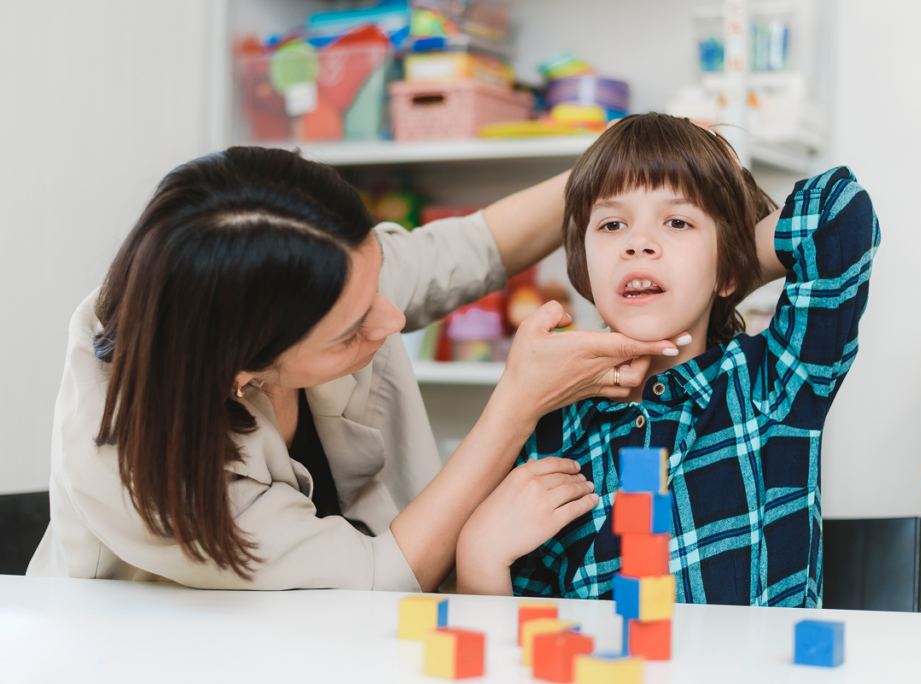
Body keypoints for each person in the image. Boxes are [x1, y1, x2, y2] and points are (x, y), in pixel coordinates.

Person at [28, 146, 687, 591]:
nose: (393, 320)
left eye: (377, 281)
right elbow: (376, 577)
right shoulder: (142, 477)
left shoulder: (321, 269)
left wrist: (619, 166)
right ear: (245, 373)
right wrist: (515, 407)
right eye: (351, 331)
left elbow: (472, 247)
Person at [455, 113, 880, 607]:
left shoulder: (771, 383)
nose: (638, 243)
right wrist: (479, 556)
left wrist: (731, 261)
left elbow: (839, 214)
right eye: (613, 224)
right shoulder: (555, 431)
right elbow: (515, 643)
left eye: (677, 222)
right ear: (586, 268)